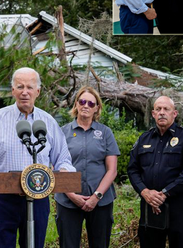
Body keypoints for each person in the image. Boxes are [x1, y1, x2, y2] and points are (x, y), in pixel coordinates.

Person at [0, 67, 75, 248]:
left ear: (38, 92)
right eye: (20, 87)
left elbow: (63, 159)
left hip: (39, 197)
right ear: (13, 91)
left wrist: (63, 170)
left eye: (30, 87)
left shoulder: (48, 122)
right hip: (4, 199)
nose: (25, 92)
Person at [127, 96, 183, 248]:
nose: (162, 113)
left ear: (174, 113)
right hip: (150, 207)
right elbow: (133, 169)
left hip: (179, 208)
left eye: (166, 109)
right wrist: (145, 192)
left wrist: (164, 193)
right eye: (158, 109)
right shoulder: (144, 139)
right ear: (153, 114)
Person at [55, 87, 120, 248]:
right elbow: (57, 167)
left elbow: (112, 170)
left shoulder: (105, 133)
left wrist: (96, 196)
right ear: (76, 104)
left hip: (101, 201)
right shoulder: (62, 132)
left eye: (91, 103)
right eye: (82, 101)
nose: (86, 106)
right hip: (68, 201)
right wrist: (72, 195)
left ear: (97, 108)